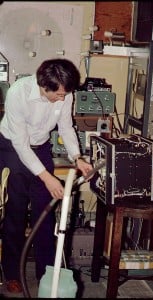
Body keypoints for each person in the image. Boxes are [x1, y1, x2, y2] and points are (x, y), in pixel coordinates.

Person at [0, 58, 93, 293]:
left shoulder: (64, 91)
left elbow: (65, 127)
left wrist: (77, 157)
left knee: (46, 214)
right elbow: (21, 145)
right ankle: (12, 273)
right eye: (59, 95)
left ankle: (47, 274)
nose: (62, 99)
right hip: (12, 147)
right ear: (44, 86)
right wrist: (47, 177)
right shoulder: (17, 94)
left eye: (66, 94)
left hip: (40, 148)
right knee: (15, 214)